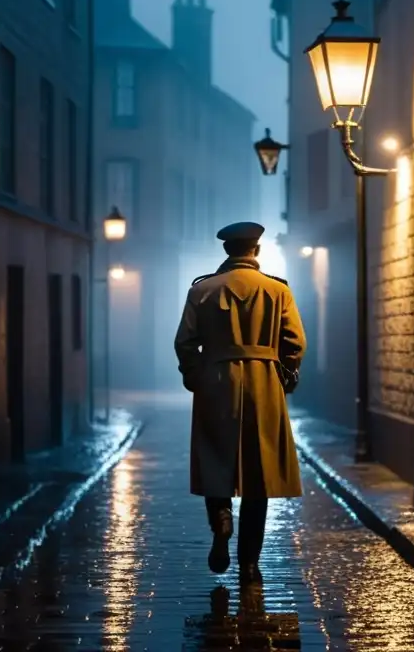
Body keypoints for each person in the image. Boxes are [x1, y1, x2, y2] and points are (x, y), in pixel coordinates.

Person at [174, 221, 307, 585]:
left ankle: (221, 522)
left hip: (216, 382)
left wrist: (195, 376)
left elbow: (185, 342)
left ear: (227, 251)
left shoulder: (202, 291)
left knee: (216, 458)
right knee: (259, 476)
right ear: (256, 250)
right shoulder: (277, 290)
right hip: (264, 383)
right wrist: (286, 375)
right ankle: (250, 563)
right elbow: (294, 341)